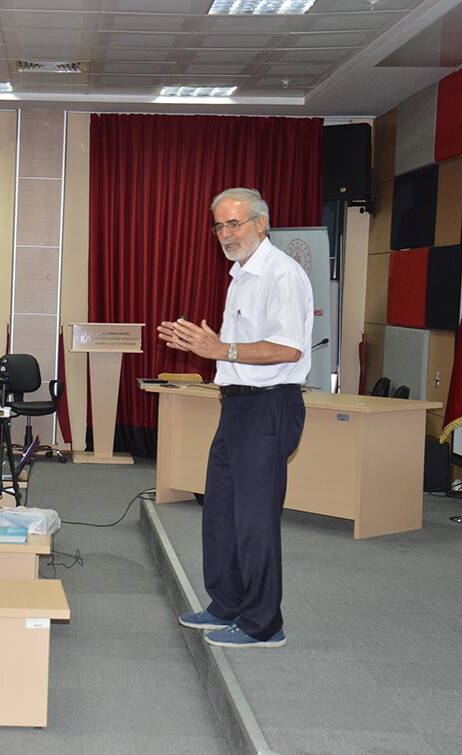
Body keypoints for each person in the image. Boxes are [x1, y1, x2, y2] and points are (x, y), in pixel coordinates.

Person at [158, 187, 312, 649]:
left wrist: (219, 349)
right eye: (219, 226)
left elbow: (287, 348)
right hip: (238, 406)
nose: (225, 234)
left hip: (269, 406)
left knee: (255, 519)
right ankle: (226, 604)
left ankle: (264, 624)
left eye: (234, 224)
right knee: (222, 510)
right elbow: (235, 350)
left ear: (261, 224)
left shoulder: (282, 275)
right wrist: (210, 349)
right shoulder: (240, 275)